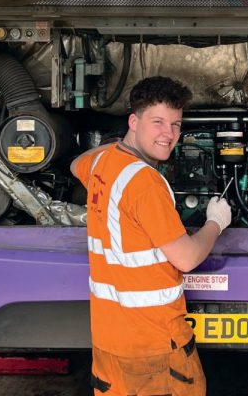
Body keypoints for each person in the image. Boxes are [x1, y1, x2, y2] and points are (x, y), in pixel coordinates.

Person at [70, 76, 232, 396]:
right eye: (157, 122)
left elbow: (76, 164)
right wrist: (215, 223)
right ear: (134, 120)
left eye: (176, 124)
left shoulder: (102, 162)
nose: (169, 135)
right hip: (153, 346)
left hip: (109, 342)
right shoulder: (145, 183)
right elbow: (185, 258)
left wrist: (119, 144)